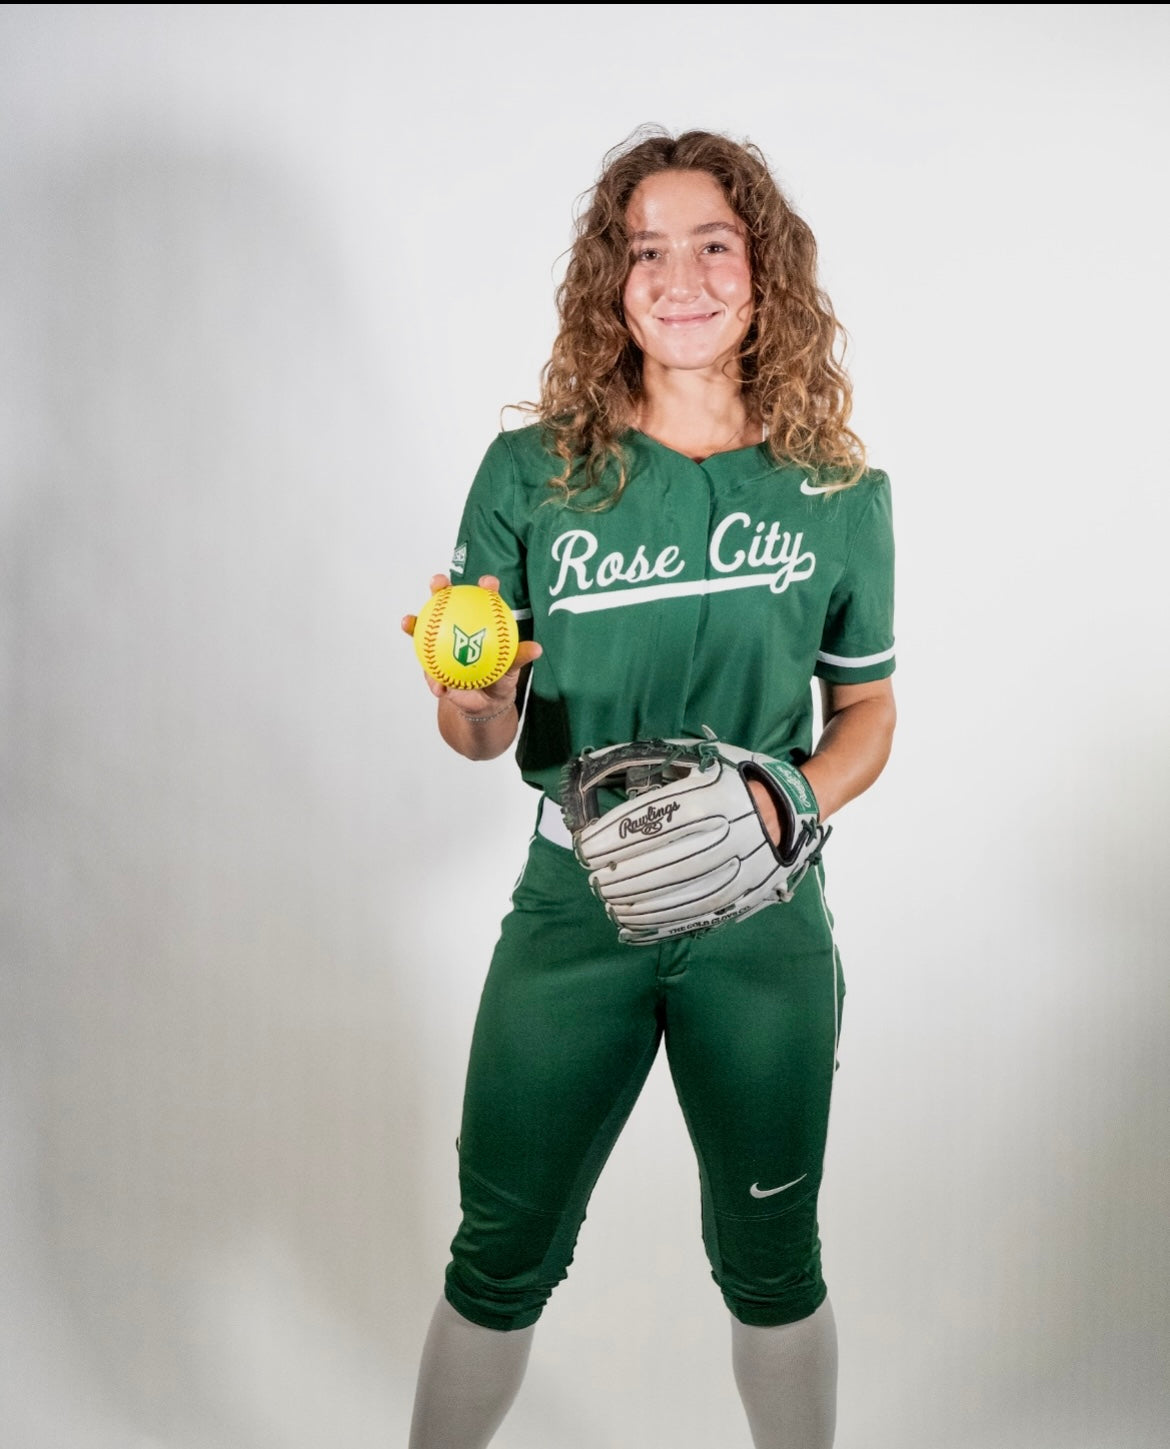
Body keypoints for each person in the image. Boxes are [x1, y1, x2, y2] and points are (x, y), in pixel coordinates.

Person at [401, 128, 896, 1449]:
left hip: (760, 909)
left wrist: (787, 804)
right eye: (644, 251)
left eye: (713, 244)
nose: (679, 278)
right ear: (609, 284)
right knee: (500, 1248)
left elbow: (867, 712)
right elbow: (476, 727)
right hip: (576, 902)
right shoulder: (531, 473)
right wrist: (472, 696)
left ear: (763, 268)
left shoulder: (839, 491)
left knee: (773, 1256)